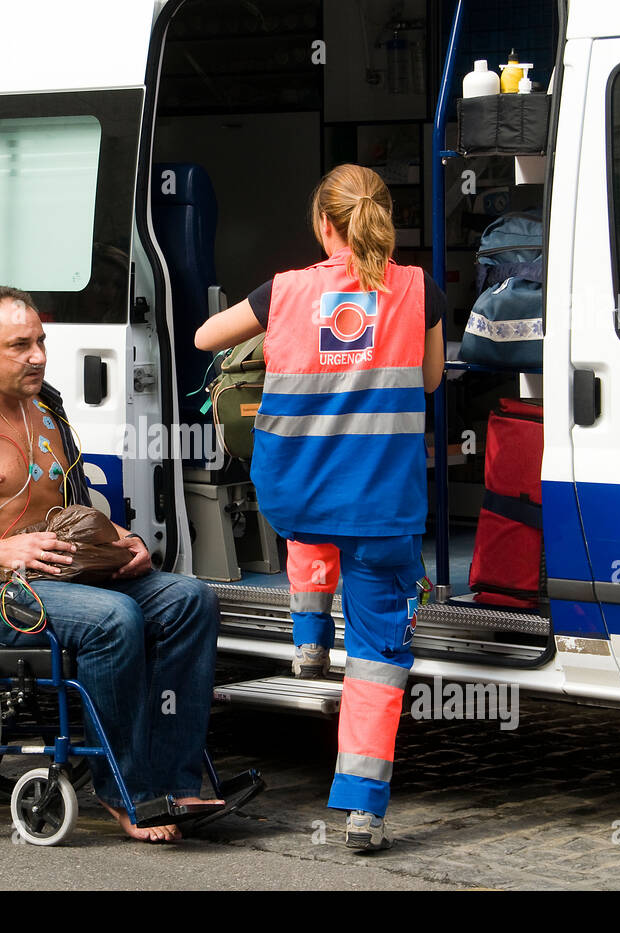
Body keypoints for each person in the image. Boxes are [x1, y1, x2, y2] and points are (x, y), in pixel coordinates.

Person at [0, 285, 224, 843]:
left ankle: (177, 778)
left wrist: (122, 538)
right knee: (114, 620)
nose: (38, 355)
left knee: (191, 600)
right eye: (20, 345)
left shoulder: (49, 405)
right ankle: (127, 791)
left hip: (68, 576)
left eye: (40, 340)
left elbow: (67, 503)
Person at [196, 163, 445, 851]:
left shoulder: (285, 289)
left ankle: (307, 634)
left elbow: (203, 339)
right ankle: (364, 810)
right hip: (383, 508)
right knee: (377, 654)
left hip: (297, 496)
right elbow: (426, 381)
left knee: (311, 519)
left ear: (321, 224)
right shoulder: (420, 290)